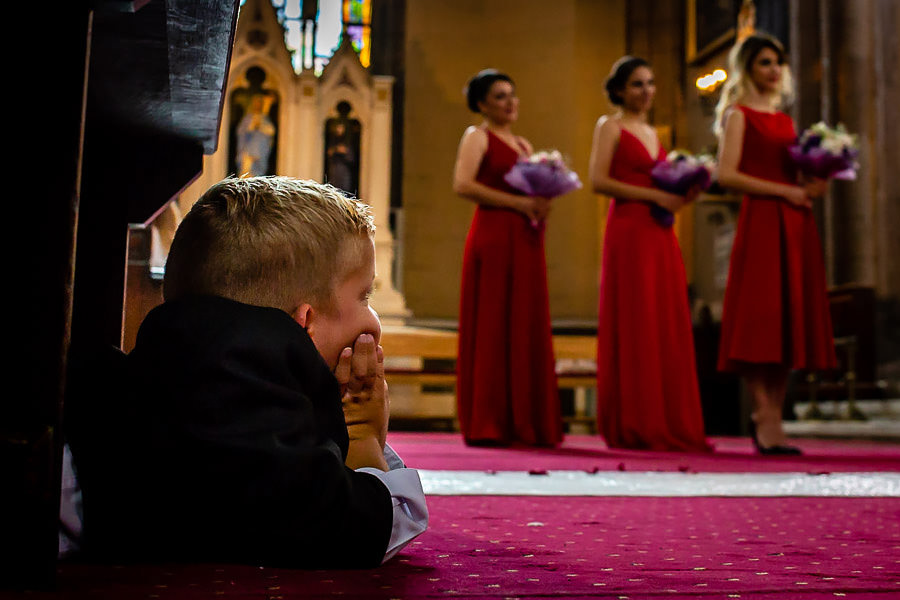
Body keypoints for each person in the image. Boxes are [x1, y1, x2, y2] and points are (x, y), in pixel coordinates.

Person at [64, 177, 428, 567]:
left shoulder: (195, 359)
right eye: (365, 296)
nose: (374, 323)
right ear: (306, 323)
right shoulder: (242, 378)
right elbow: (349, 529)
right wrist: (362, 436)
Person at [714, 33, 836, 454]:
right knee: (761, 320)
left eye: (778, 62)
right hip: (763, 221)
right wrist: (783, 192)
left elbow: (793, 174)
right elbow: (725, 174)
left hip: (795, 223)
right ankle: (762, 414)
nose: (774, 70)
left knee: (787, 322)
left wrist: (814, 182)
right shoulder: (738, 115)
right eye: (765, 62)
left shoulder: (785, 120)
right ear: (748, 68)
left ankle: (775, 415)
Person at [588, 56, 710, 452]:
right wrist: (656, 194)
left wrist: (682, 192)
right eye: (638, 84)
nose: (647, 91)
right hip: (629, 230)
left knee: (662, 318)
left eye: (651, 83)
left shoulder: (653, 132)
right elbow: (599, 179)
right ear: (620, 90)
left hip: (660, 232)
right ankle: (636, 421)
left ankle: (665, 418)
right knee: (638, 317)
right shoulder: (611, 126)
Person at [452, 69, 561, 447]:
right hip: (494, 236)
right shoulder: (477, 137)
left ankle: (524, 420)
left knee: (523, 321)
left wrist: (543, 202)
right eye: (500, 96)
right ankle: (489, 421)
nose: (510, 102)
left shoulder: (525, 146)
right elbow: (463, 184)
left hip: (525, 240)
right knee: (494, 322)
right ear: (482, 103)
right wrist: (520, 203)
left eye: (512, 95)